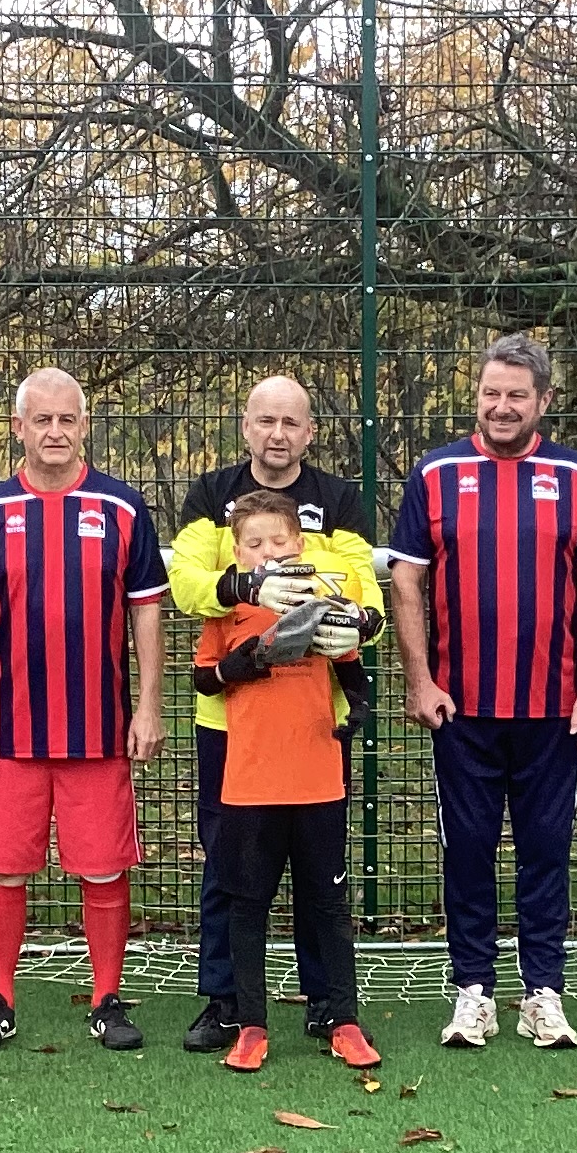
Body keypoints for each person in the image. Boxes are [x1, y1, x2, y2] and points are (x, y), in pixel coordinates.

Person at [390, 329, 577, 1049]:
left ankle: (544, 992)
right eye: (491, 393)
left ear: (542, 401)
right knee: (468, 849)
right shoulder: (435, 474)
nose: (500, 406)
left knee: (547, 848)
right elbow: (406, 579)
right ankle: (473, 992)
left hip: (552, 708)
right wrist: (420, 678)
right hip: (462, 708)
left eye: (516, 395)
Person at [0, 367, 170, 1052]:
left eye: (66, 419)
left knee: (104, 868)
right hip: (10, 731)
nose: (54, 432)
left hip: (99, 730)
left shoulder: (122, 508)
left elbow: (147, 614)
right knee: (5, 867)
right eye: (41, 420)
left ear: (84, 426)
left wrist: (150, 706)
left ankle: (107, 999)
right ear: (18, 428)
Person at [165, 374, 378, 1053]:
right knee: (229, 872)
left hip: (315, 722)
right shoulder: (209, 495)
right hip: (230, 726)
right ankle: (227, 1002)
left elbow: (358, 583)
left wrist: (361, 624)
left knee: (321, 875)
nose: (277, 434)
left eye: (291, 423)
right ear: (246, 427)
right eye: (265, 421)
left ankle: (326, 1005)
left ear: (309, 432)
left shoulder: (339, 498)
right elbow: (188, 585)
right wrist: (246, 586)